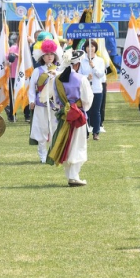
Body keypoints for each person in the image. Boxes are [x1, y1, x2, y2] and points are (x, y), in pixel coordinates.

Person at [46, 49, 94, 186]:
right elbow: (87, 99)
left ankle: (70, 175)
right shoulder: (82, 79)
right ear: (77, 64)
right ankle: (74, 175)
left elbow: (54, 99)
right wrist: (81, 109)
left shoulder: (56, 80)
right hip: (77, 116)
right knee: (77, 145)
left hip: (63, 116)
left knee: (66, 143)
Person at [29, 38, 60, 162]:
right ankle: (42, 154)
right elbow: (31, 87)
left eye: (52, 54)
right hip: (41, 103)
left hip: (55, 104)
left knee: (54, 127)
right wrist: (31, 100)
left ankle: (53, 152)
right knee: (42, 128)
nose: (49, 56)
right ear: (42, 56)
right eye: (46, 54)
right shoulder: (37, 70)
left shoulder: (59, 70)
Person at [80, 40, 105, 140]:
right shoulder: (82, 61)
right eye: (88, 47)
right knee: (86, 111)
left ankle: (96, 132)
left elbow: (101, 74)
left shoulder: (100, 61)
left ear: (95, 48)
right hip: (86, 90)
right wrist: (86, 77)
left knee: (96, 111)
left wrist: (93, 67)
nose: (90, 49)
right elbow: (80, 74)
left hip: (97, 89)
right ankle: (85, 132)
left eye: (92, 47)